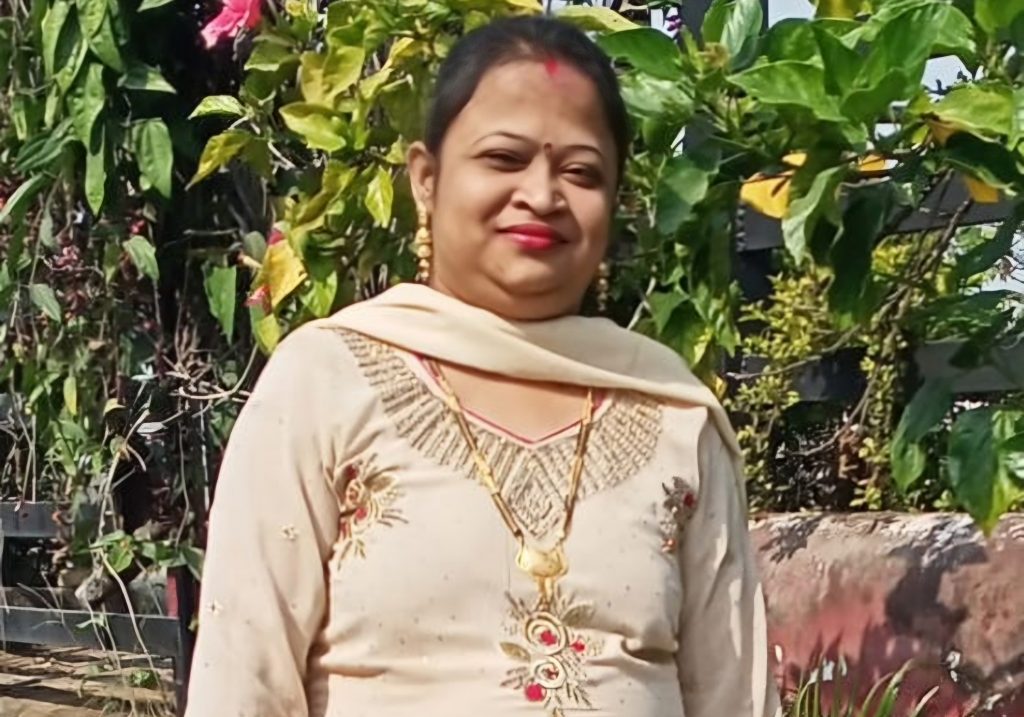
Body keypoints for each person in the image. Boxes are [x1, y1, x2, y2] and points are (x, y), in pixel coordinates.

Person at [184, 16, 780, 717]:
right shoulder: (326, 381)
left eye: (582, 172)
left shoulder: (673, 410)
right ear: (426, 179)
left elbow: (734, 695)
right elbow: (243, 678)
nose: (542, 195)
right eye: (503, 158)